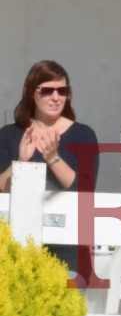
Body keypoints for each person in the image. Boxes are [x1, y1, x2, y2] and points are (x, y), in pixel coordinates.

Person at [0, 61, 100, 279]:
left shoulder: (83, 135)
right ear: (31, 93)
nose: (56, 97)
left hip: (69, 249)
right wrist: (21, 162)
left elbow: (85, 191)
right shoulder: (10, 134)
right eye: (47, 90)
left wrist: (53, 158)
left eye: (62, 91)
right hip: (18, 248)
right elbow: (1, 189)